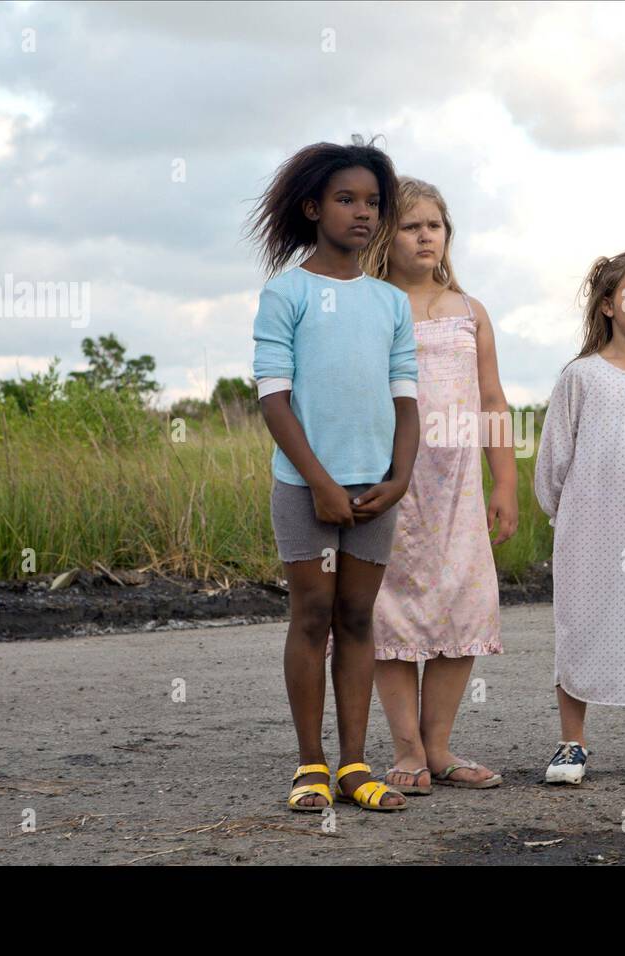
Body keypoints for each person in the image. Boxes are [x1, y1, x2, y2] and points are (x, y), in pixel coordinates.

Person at [247, 139, 419, 813]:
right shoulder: (285, 292)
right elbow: (272, 396)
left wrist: (400, 478)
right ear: (314, 207)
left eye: (373, 202)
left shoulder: (390, 302)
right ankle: (311, 765)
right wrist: (317, 480)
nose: (363, 214)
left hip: (376, 489)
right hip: (304, 487)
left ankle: (355, 764)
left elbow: (405, 396)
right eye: (347, 200)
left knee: (356, 616)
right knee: (312, 616)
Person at [360, 177, 518, 794]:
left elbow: (493, 400)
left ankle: (441, 747)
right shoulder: (373, 305)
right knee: (389, 610)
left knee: (463, 600)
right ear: (384, 235)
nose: (426, 236)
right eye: (410, 225)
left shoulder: (468, 311)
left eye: (435, 225)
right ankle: (406, 751)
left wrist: (504, 482)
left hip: (459, 488)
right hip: (392, 481)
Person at [534, 247, 625, 786]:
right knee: (580, 625)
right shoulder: (580, 377)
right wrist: (570, 517)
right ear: (606, 305)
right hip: (588, 531)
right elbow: (553, 461)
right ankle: (572, 744)